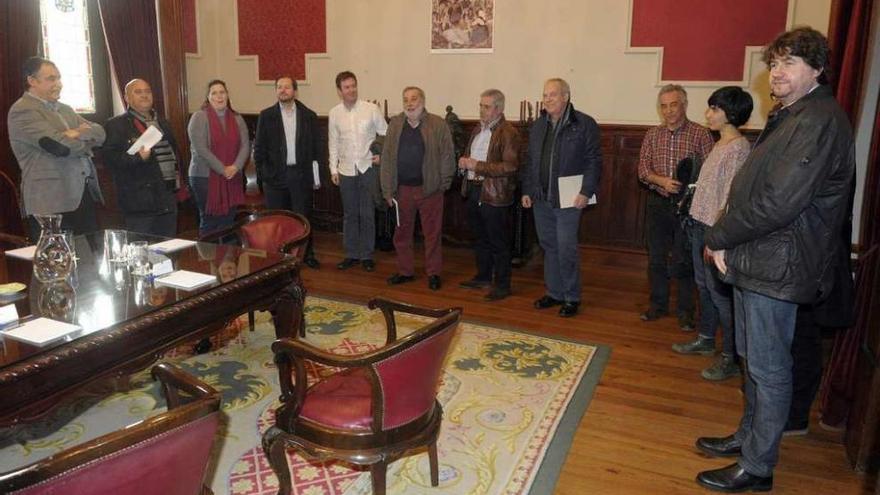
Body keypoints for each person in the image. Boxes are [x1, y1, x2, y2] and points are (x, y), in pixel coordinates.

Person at [696, 27, 856, 492]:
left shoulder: (819, 120)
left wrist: (719, 235)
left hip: (778, 265)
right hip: (758, 258)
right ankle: (748, 438)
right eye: (775, 63)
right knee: (752, 359)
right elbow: (754, 188)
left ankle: (758, 465)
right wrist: (728, 232)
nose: (778, 72)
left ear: (817, 69)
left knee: (769, 367)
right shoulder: (793, 114)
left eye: (790, 63)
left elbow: (778, 202)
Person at [671, 86, 753, 381]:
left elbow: (730, 199)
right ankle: (706, 339)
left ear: (731, 114)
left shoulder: (739, 149)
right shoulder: (718, 144)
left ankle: (731, 357)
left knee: (721, 296)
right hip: (698, 224)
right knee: (703, 286)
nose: (708, 114)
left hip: (714, 231)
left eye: (714, 109)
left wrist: (717, 237)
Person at [521, 78, 601, 318]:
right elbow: (530, 162)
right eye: (545, 95)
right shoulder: (537, 126)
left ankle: (571, 297)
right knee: (549, 246)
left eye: (552, 95)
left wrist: (586, 191)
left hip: (570, 198)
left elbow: (594, 160)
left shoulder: (584, 124)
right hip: (541, 198)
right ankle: (554, 293)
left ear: (566, 96)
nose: (547, 99)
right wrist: (527, 190)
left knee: (566, 248)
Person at [637, 84, 714, 330]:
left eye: (673, 104)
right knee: (656, 259)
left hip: (688, 207)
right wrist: (661, 181)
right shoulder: (652, 134)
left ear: (684, 105)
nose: (668, 111)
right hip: (658, 203)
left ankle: (685, 312)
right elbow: (642, 171)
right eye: (664, 106)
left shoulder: (700, 134)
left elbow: (709, 173)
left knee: (684, 261)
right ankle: (658, 305)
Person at [8, 56, 105, 239]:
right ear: (32, 81)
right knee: (56, 264)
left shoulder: (65, 109)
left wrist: (75, 133)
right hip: (50, 202)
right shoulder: (23, 109)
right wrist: (79, 136)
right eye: (51, 79)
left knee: (89, 260)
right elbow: (59, 147)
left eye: (59, 78)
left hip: (82, 196)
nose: (59, 84)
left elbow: (100, 134)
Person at [380, 86, 455, 290]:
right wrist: (387, 190)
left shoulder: (438, 124)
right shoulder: (395, 124)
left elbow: (447, 155)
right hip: (402, 190)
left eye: (413, 99)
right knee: (401, 233)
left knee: (432, 234)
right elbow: (386, 158)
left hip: (429, 189)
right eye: (405, 99)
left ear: (422, 101)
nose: (409, 103)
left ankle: (434, 273)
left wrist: (444, 184)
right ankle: (405, 271)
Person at [458, 88, 520, 301]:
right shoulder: (478, 130)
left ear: (499, 109)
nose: (482, 110)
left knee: (498, 242)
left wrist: (478, 165)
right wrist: (465, 163)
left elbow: (510, 167)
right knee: (480, 238)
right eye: (480, 106)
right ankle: (484, 276)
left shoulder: (508, 132)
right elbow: (473, 157)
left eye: (486, 107)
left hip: (495, 193)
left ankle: (502, 285)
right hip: (475, 189)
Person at [254, 76, 321, 268]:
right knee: (276, 221)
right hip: (274, 177)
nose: (282, 90)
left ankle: (306, 255)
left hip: (300, 176)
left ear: (295, 91)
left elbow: (317, 148)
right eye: (279, 87)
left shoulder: (309, 116)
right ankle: (277, 257)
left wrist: (316, 177)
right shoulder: (266, 116)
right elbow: (258, 149)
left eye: (287, 87)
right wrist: (263, 175)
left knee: (303, 218)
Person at [103, 79, 182, 237]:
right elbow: (111, 162)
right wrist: (138, 157)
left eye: (147, 91)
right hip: (139, 202)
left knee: (167, 251)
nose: (144, 95)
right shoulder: (116, 125)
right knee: (141, 252)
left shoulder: (163, 123)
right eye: (138, 92)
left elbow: (174, 155)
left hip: (167, 197)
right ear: (127, 98)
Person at [328, 71, 388, 272]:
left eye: (353, 85)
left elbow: (386, 134)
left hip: (368, 168)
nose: (351, 90)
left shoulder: (371, 109)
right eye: (346, 87)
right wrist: (333, 168)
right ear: (339, 91)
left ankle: (367, 255)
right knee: (350, 214)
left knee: (367, 213)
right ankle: (352, 253)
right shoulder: (334, 113)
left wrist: (382, 156)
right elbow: (333, 143)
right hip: (346, 171)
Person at [187, 79, 249, 236]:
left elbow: (245, 146)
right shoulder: (199, 117)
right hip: (204, 177)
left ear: (227, 95)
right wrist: (223, 169)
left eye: (222, 92)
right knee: (210, 221)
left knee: (228, 222)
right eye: (214, 93)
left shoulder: (237, 118)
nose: (219, 96)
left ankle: (225, 259)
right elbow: (200, 149)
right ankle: (207, 259)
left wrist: (235, 167)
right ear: (208, 97)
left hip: (233, 176)